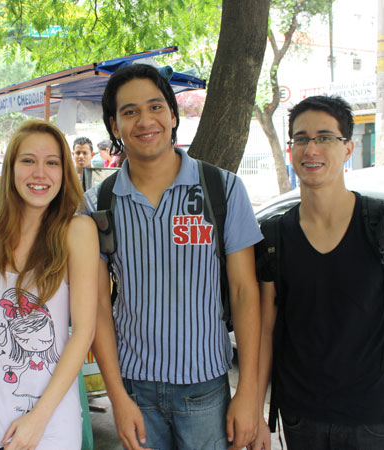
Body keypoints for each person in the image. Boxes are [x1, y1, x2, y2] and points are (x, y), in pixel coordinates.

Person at [84, 64, 262, 450]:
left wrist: (248, 392)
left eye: (155, 107)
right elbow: (96, 303)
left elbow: (245, 291)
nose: (145, 121)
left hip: (206, 387)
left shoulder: (223, 189)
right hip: (134, 389)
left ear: (173, 115)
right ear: (114, 127)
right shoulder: (97, 204)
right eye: (129, 112)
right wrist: (117, 397)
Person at [0, 120, 98, 450]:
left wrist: (39, 418)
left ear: (64, 170)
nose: (40, 173)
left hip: (49, 416)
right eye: (28, 160)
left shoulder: (78, 230)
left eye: (52, 162)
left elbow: (84, 333)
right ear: (11, 167)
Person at [251, 95, 384, 450]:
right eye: (301, 138)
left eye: (325, 137)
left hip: (374, 419)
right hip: (301, 418)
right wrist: (256, 413)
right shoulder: (274, 235)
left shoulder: (380, 223)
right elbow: (266, 329)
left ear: (347, 148)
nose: (311, 149)